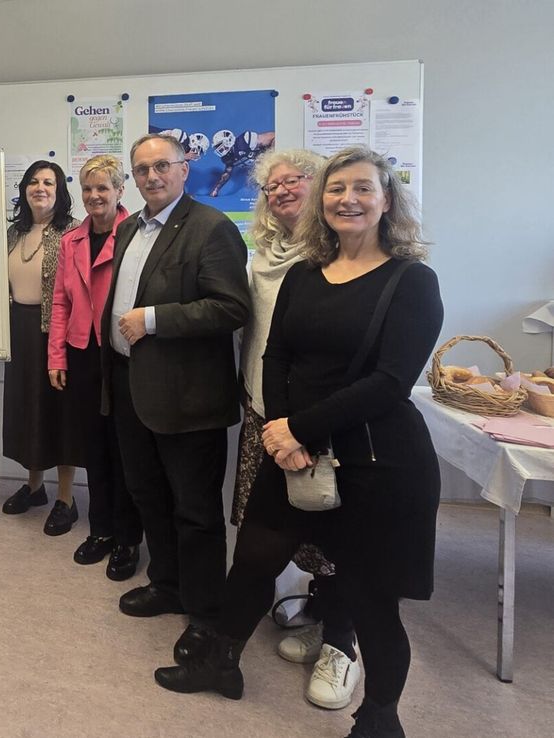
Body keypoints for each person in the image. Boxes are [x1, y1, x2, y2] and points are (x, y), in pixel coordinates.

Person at [154, 146, 443, 738]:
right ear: (323, 201)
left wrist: (299, 430)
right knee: (254, 559)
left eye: (363, 188)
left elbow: (390, 383)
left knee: (368, 595)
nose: (348, 199)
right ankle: (221, 665)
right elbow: (277, 353)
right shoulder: (307, 272)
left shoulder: (412, 281)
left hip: (375, 459)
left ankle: (380, 719)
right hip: (295, 450)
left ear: (387, 200)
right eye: (337, 190)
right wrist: (281, 431)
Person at [100, 134, 249, 635]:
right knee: (149, 496)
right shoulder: (129, 230)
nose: (151, 177)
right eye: (141, 170)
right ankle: (168, 585)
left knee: (194, 510)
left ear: (185, 169)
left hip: (187, 399)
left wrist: (155, 320)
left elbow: (231, 308)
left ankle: (206, 616)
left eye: (161, 166)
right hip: (131, 388)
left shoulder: (211, 228)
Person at [234, 149, 363, 708]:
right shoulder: (261, 256)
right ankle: (315, 612)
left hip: (325, 420)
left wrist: (305, 423)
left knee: (337, 532)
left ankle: (343, 641)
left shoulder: (342, 253)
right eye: (272, 186)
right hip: (265, 411)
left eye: (295, 180)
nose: (283, 190)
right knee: (277, 526)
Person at [47, 155, 145, 579]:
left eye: (103, 188)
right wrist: (56, 355)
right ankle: (101, 530)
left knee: (125, 452)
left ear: (121, 191)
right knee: (94, 448)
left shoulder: (136, 234)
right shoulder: (71, 239)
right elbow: (61, 301)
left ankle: (128, 539)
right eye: (88, 189)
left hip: (121, 352)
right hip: (82, 352)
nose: (94, 196)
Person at [0, 160, 81, 533]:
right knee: (27, 409)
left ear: (59, 190)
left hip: (57, 333)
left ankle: (66, 497)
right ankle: (34, 488)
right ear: (24, 189)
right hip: (18, 329)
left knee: (60, 413)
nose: (40, 187)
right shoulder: (13, 232)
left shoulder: (73, 232)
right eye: (33, 181)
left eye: (49, 182)